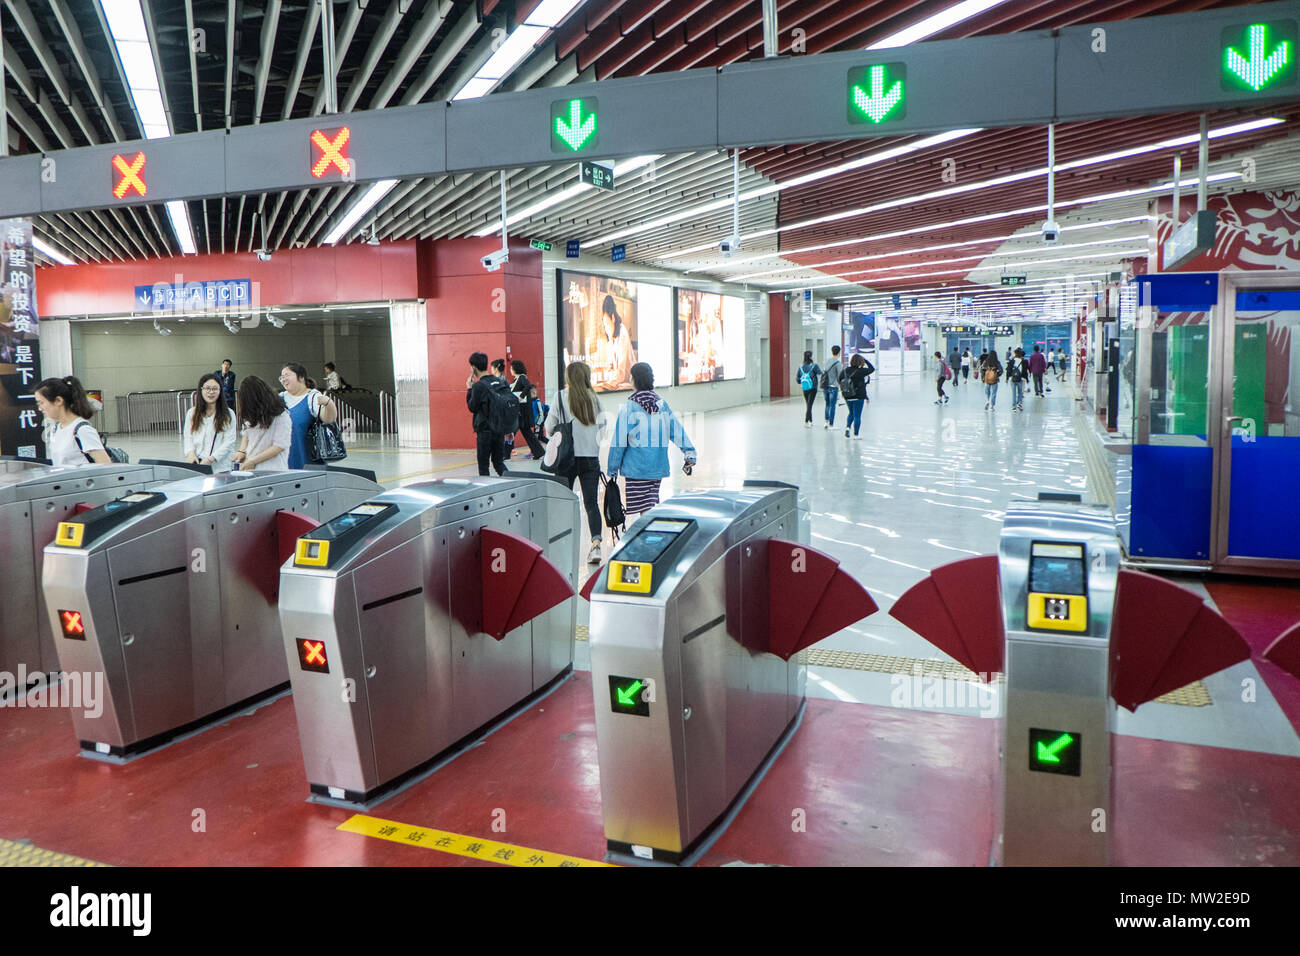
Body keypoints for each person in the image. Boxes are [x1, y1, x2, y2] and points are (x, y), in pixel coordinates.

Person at [607, 362, 696, 519]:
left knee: (645, 508)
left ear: (634, 379)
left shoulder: (629, 406)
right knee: (649, 504)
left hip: (636, 468)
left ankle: (647, 538)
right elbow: (676, 430)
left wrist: (613, 468)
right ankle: (650, 534)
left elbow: (619, 440)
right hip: (656, 467)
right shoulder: (661, 405)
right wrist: (689, 453)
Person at [544, 361, 605, 564]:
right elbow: (602, 429)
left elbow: (549, 426)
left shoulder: (561, 397)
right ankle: (596, 545)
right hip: (590, 458)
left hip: (565, 459)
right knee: (590, 503)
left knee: (562, 503)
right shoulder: (594, 398)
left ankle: (562, 545)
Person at [36, 376, 111, 466]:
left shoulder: (82, 430)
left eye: (41, 403)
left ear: (58, 401)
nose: (40, 408)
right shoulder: (56, 428)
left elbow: (105, 465)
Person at [279, 362, 339, 469]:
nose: (283, 379)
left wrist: (328, 404)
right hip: (283, 466)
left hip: (308, 467)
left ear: (301, 377)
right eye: (281, 377)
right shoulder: (279, 398)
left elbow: (329, 419)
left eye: (287, 375)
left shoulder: (313, 397)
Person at [231, 376, 291, 472]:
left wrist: (253, 461)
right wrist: (241, 451)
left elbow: (279, 446)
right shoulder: (253, 413)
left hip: (273, 469)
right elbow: (246, 435)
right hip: (251, 468)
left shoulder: (281, 416)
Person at [466, 351, 508, 477]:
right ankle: (512, 484)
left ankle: (487, 493)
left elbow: (472, 407)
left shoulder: (479, 386)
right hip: (499, 429)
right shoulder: (499, 382)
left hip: (485, 431)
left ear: (473, 367)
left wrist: (469, 388)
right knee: (498, 463)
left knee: (484, 465)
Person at [184, 373, 238, 471]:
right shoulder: (192, 413)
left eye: (215, 389)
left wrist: (210, 459)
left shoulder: (229, 414)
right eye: (207, 388)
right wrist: (190, 453)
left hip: (220, 467)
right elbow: (188, 437)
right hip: (197, 464)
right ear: (201, 390)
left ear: (220, 391)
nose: (211, 392)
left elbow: (229, 442)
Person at [508, 359, 547, 460]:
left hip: (522, 411)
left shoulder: (522, 378)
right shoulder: (515, 380)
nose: (510, 370)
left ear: (516, 368)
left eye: (511, 368)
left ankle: (505, 453)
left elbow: (528, 386)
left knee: (511, 431)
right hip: (519, 410)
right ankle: (538, 451)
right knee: (526, 432)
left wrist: (520, 397)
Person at [598, 295, 634, 390]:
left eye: (607, 324)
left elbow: (622, 365)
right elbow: (611, 363)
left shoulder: (622, 332)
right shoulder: (611, 338)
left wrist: (613, 381)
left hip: (628, 379)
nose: (605, 328)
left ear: (613, 319)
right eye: (604, 324)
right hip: (619, 381)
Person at [841, 354, 869, 438]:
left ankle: (847, 427)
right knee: (857, 415)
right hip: (859, 396)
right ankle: (856, 435)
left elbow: (840, 379)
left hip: (848, 395)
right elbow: (872, 369)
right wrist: (866, 360)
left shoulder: (845, 370)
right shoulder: (862, 371)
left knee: (851, 413)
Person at [797, 350, 821, 427]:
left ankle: (809, 421)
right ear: (811, 357)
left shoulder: (801, 366)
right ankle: (807, 421)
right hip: (813, 387)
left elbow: (798, 378)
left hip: (805, 387)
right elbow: (820, 372)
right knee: (809, 405)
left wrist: (801, 382)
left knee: (808, 404)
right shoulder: (814, 366)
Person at [821, 345, 843, 429]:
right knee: (832, 405)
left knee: (827, 404)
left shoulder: (827, 361)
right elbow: (840, 376)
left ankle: (826, 422)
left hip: (825, 386)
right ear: (839, 352)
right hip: (833, 386)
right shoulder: (838, 363)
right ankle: (831, 424)